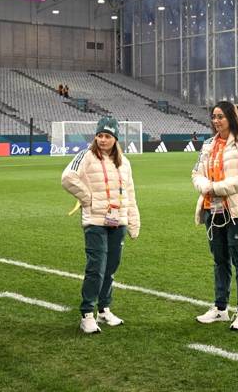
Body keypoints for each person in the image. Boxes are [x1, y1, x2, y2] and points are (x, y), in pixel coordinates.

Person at [61, 117, 140, 334]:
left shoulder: (125, 162)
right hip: (95, 221)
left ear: (115, 139)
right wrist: (89, 199)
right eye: (100, 135)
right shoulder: (85, 156)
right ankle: (87, 313)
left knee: (111, 266)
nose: (103, 140)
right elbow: (67, 178)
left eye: (107, 136)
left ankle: (104, 310)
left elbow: (130, 193)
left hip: (118, 221)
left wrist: (134, 221)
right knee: (96, 266)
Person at [192, 101, 238, 331]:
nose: (216, 121)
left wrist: (217, 187)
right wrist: (206, 187)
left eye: (220, 116)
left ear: (231, 117)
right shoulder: (208, 144)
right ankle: (220, 309)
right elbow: (196, 174)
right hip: (213, 209)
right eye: (214, 116)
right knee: (220, 260)